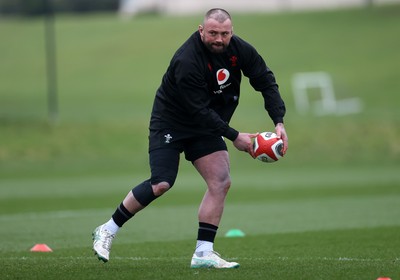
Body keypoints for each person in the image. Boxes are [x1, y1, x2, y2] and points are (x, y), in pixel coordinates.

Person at [92, 8, 288, 269]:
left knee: (220, 180)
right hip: (171, 122)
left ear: (232, 32)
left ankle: (203, 253)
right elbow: (198, 109)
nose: (219, 39)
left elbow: (265, 80)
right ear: (201, 30)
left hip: (206, 125)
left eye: (225, 34)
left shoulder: (240, 50)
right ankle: (108, 229)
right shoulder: (187, 60)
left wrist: (279, 121)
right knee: (161, 183)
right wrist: (234, 136)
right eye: (213, 33)